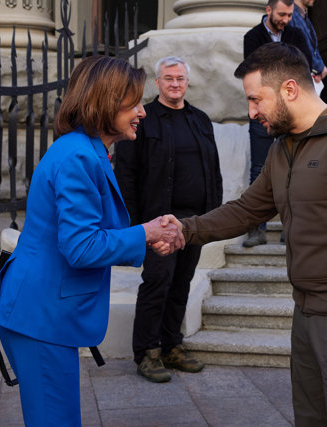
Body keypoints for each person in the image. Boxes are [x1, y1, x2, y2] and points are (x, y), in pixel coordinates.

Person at [166, 42, 327, 426]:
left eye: (256, 99)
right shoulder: (283, 150)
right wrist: (186, 230)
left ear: (290, 89)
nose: (251, 112)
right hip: (307, 316)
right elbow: (247, 210)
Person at [0, 55, 184, 426]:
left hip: (41, 316)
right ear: (104, 101)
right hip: (39, 319)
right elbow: (81, 247)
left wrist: (146, 232)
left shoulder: (85, 150)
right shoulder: (78, 156)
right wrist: (147, 233)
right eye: (133, 102)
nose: (142, 111)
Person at [115, 56, 223, 383]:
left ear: (187, 83)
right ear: (158, 83)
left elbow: (213, 172)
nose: (175, 84)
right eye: (168, 78)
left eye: (180, 79)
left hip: (193, 224)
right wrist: (136, 226)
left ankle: (171, 346)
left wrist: (212, 219)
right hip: (157, 223)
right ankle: (147, 353)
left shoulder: (200, 120)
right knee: (157, 284)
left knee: (180, 285)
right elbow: (127, 174)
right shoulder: (144, 120)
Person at [242, 0, 314, 247]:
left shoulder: (295, 33)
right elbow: (252, 72)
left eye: (290, 15)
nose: (286, 19)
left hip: (289, 112)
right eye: (282, 14)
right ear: (268, 10)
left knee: (295, 167)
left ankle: (290, 228)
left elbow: (304, 66)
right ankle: (256, 230)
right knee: (258, 168)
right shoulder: (252, 36)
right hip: (262, 113)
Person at [289, 0, 327, 94]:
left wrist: (321, 67)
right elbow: (301, 47)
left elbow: (314, 47)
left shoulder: (304, 15)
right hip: (299, 77)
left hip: (309, 76)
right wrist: (319, 68)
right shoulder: (291, 14)